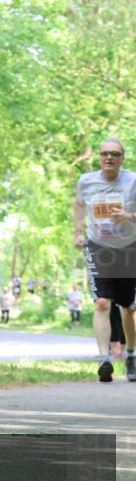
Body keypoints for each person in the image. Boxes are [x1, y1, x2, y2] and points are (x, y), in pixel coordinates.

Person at [73, 137, 136, 382]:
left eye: (115, 154)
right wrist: (78, 232)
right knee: (101, 302)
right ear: (99, 158)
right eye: (104, 154)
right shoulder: (86, 182)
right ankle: (104, 359)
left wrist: (129, 216)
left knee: (129, 309)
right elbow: (79, 206)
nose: (109, 157)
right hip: (98, 246)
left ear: (122, 158)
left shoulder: (133, 181)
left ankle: (131, 355)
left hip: (128, 247)